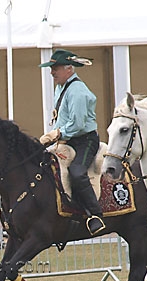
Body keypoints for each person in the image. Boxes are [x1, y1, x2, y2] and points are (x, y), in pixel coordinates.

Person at [38, 49, 105, 236]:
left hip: (85, 141)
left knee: (76, 173)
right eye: (52, 68)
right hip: (66, 139)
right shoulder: (61, 87)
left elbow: (77, 124)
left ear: (69, 69)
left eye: (55, 68)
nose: (52, 72)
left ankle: (95, 215)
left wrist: (56, 134)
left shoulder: (78, 92)